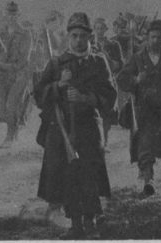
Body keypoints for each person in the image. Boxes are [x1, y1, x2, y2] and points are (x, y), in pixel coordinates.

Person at [34, 12, 116, 239]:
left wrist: (86, 98)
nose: (78, 40)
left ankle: (91, 221)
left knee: (89, 173)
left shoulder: (99, 62)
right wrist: (58, 85)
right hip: (63, 128)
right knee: (69, 176)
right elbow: (39, 94)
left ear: (90, 37)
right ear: (68, 36)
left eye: (83, 36)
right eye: (74, 35)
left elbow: (110, 96)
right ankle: (76, 224)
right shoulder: (57, 63)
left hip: (89, 125)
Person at [116, 19, 161, 197]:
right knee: (145, 142)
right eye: (152, 37)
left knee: (157, 143)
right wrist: (136, 80)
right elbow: (121, 79)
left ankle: (145, 170)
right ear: (147, 38)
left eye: (159, 37)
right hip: (142, 110)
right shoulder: (138, 58)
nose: (155, 41)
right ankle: (148, 180)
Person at [0, 2, 32, 148]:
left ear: (18, 15)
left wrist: (2, 65)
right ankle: (15, 126)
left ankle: (10, 135)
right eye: (8, 14)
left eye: (14, 14)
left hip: (19, 75)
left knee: (11, 104)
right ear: (4, 14)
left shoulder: (26, 34)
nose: (11, 17)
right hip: (2, 76)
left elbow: (23, 61)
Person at [92, 17, 123, 149]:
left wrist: (105, 56)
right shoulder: (89, 43)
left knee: (107, 113)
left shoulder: (113, 45)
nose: (99, 31)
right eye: (97, 28)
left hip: (108, 81)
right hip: (93, 83)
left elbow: (119, 64)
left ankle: (105, 141)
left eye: (102, 28)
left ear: (106, 30)